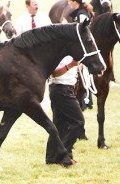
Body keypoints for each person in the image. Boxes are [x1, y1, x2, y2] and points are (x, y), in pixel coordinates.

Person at [46, 0, 93, 164]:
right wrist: (71, 65)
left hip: (66, 89)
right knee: (78, 122)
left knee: (59, 125)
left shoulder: (70, 48)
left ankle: (51, 158)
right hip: (61, 89)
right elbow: (54, 72)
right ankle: (63, 154)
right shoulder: (58, 51)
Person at [15, 0, 52, 113]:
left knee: (43, 78)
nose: (37, 5)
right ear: (27, 6)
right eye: (34, 3)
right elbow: (17, 38)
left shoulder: (44, 18)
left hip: (42, 55)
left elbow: (51, 35)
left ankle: (44, 104)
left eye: (37, 3)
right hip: (27, 56)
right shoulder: (21, 20)